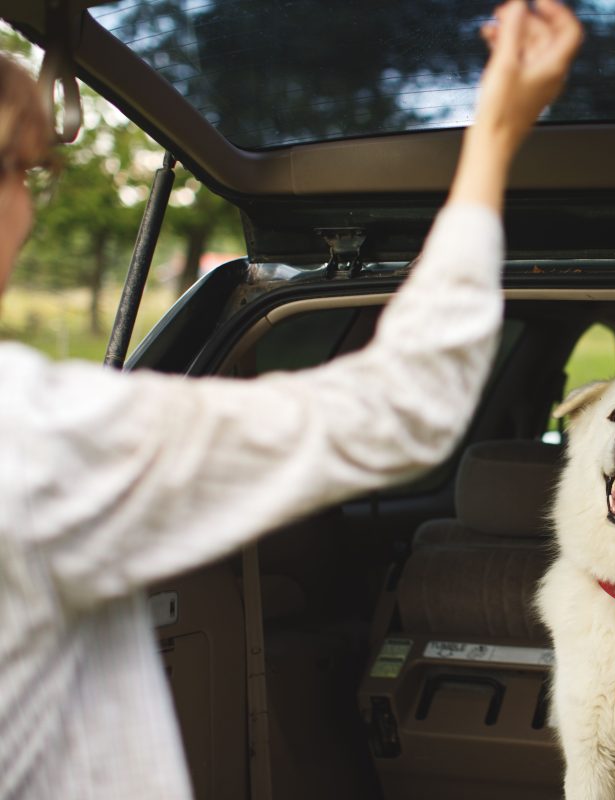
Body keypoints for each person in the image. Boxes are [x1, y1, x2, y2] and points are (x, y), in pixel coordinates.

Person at [0, 2, 583, 796]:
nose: (28, 207)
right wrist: (495, 135)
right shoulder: (30, 436)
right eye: (18, 170)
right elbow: (400, 406)